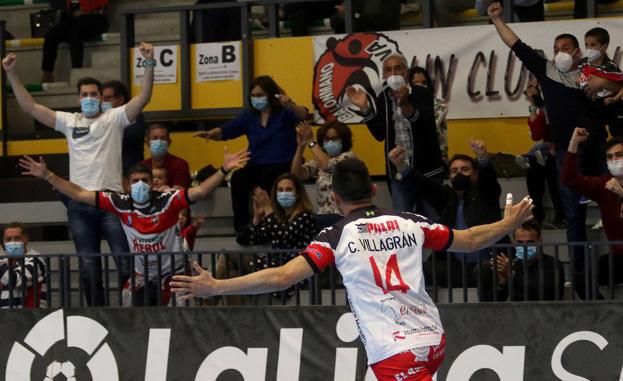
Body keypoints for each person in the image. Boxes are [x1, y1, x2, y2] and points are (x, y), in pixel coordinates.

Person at [171, 158, 534, 381]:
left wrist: (216, 286)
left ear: (336, 200)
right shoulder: (411, 222)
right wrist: (507, 223)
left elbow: (283, 276)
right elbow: (470, 240)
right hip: (431, 339)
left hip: (397, 351)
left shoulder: (336, 235)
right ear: (374, 190)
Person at [3, 42, 155, 306]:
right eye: (84, 94)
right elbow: (30, 107)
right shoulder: (68, 121)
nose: (89, 98)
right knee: (88, 267)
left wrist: (149, 63)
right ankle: (98, 316)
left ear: (101, 97)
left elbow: (144, 98)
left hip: (111, 202)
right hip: (79, 204)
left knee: (125, 263)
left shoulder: (114, 118)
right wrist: (11, 73)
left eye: (94, 94)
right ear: (78, 99)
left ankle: (134, 314)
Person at [19, 149, 249, 306]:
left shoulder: (167, 200)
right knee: (132, 304)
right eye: (135, 181)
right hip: (143, 275)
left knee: (181, 312)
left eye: (145, 181)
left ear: (152, 183)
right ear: (126, 185)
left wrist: (224, 169)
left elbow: (199, 192)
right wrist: (47, 175)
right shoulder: (119, 202)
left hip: (174, 271)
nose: (140, 185)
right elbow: (78, 193)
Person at [488, 3, 594, 287]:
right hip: (565, 154)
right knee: (574, 217)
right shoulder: (545, 69)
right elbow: (515, 43)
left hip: (595, 152)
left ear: (577, 52)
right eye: (557, 47)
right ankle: (581, 276)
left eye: (567, 47)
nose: (561, 51)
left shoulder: (590, 76)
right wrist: (496, 18)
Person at [194, 76, 308, 245]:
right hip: (256, 164)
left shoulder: (285, 112)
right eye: (253, 95)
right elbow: (228, 129)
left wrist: (290, 104)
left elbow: (303, 114)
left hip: (282, 163)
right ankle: (241, 228)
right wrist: (211, 134)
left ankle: (271, 226)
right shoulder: (250, 116)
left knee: (267, 179)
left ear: (270, 94)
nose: (256, 99)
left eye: (260, 94)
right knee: (238, 178)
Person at [389, 138, 506, 287]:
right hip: (456, 266)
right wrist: (401, 165)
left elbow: (488, 180)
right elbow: (423, 183)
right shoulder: (447, 197)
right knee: (415, 270)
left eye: (465, 169)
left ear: (475, 175)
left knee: (485, 271)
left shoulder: (486, 194)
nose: (459, 174)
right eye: (454, 171)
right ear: (449, 177)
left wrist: (482, 158)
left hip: (486, 264)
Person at [346, 53, 445, 213]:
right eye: (388, 70)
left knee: (433, 221)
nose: (393, 74)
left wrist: (405, 103)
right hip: (398, 172)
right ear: (384, 75)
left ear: (406, 71)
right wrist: (364, 108)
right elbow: (379, 134)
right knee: (403, 222)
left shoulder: (422, 93)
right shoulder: (383, 97)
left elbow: (424, 124)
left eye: (398, 68)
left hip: (427, 171)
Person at [562, 129, 623, 297]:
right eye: (610, 157)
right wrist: (574, 143)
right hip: (619, 256)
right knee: (581, 280)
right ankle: (605, 318)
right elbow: (569, 179)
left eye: (619, 155)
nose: (614, 160)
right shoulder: (604, 185)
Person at [519, 79, 566, 228]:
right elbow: (536, 134)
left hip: (564, 149)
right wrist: (533, 104)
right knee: (534, 166)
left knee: (550, 162)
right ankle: (537, 216)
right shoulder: (542, 110)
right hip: (548, 150)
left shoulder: (564, 104)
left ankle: (561, 216)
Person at [478, 221, 565, 301]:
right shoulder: (511, 265)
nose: (525, 247)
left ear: (540, 241)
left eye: (530, 242)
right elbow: (495, 303)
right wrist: (503, 281)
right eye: (520, 242)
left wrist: (511, 275)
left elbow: (544, 294)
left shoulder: (553, 264)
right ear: (513, 242)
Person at [291, 120, 355, 228]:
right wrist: (301, 146)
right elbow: (297, 175)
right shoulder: (320, 161)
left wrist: (311, 141)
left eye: (334, 139)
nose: (330, 142)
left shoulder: (348, 158)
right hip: (323, 215)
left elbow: (327, 166)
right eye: (327, 139)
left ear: (343, 140)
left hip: (343, 216)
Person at [41, 0, 109, 83]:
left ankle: (77, 71)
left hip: (95, 17)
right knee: (50, 36)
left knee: (74, 33)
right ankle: (47, 73)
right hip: (73, 19)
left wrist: (85, 11)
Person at [102, 80, 148, 173]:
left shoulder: (134, 115)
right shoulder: (100, 117)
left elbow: (132, 137)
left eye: (107, 98)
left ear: (120, 99)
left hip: (130, 171)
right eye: (101, 99)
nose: (103, 102)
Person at [1, 222, 47, 309]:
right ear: (3, 242)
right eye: (8, 239)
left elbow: (14, 281)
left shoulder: (36, 259)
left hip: (30, 317)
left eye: (17, 238)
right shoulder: (3, 261)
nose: (12, 242)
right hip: (4, 317)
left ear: (26, 239)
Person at [409, 66, 449, 165]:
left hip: (436, 157)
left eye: (424, 83)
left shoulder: (440, 105)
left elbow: (426, 126)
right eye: (416, 83)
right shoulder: (406, 105)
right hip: (412, 158)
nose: (420, 86)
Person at [140, 123, 191, 189]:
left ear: (169, 142)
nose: (159, 142)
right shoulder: (142, 166)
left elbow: (178, 193)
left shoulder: (180, 164)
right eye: (154, 138)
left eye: (163, 138)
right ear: (147, 143)